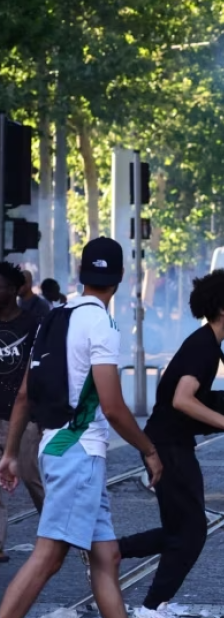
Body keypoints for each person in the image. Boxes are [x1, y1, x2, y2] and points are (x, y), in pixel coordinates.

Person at [0, 237, 163, 618]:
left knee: (107, 556)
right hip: (79, 453)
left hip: (55, 447)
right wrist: (150, 450)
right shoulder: (101, 325)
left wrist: (10, 454)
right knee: (49, 557)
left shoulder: (53, 318)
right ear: (121, 278)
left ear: (80, 274)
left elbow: (24, 395)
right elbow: (113, 406)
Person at [118, 269, 224, 618]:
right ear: (223, 308)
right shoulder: (203, 347)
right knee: (192, 531)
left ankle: (108, 552)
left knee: (180, 530)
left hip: (171, 441)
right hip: (168, 445)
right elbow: (183, 399)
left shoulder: (206, 344)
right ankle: (150, 605)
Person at [0, 263, 43, 563]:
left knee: (32, 477)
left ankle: (57, 533)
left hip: (23, 418)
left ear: (14, 290)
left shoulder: (33, 323)